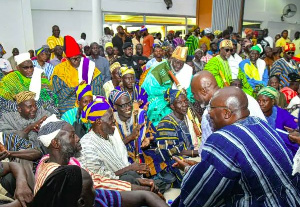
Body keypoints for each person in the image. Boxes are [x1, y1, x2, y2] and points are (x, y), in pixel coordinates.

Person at [172, 87, 300, 207]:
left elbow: (198, 195)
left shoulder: (223, 138)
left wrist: (189, 171)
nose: (208, 114)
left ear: (226, 113)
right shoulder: (260, 124)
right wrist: (198, 169)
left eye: (211, 111)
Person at [79, 98, 161, 190]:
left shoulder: (111, 136)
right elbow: (99, 180)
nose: (114, 121)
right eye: (110, 118)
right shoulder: (87, 144)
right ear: (98, 121)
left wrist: (131, 169)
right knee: (131, 179)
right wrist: (129, 169)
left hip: (121, 180)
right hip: (106, 190)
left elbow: (121, 163)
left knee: (134, 177)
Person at [191, 71, 266, 157]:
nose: (194, 98)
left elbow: (207, 153)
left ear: (204, 91)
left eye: (194, 94)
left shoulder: (209, 113)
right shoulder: (246, 97)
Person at [110, 90, 164, 178]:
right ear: (115, 107)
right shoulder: (112, 122)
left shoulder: (140, 115)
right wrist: (131, 137)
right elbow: (113, 148)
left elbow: (153, 133)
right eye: (123, 105)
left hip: (142, 154)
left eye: (129, 103)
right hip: (122, 160)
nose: (128, 108)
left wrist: (148, 139)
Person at [156, 89, 199, 186]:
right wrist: (197, 152)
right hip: (173, 164)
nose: (184, 104)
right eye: (179, 102)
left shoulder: (186, 118)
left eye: (185, 101)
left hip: (188, 158)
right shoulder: (166, 123)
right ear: (172, 106)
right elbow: (171, 152)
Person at [51, 35, 103, 114]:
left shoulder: (88, 65)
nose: (77, 61)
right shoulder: (59, 70)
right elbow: (59, 93)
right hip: (69, 103)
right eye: (73, 59)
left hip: (90, 99)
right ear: (67, 59)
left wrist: (86, 89)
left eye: (78, 57)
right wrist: (77, 89)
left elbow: (98, 88)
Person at [141, 46, 193, 126]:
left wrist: (184, 95)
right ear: (171, 59)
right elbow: (149, 89)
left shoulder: (187, 71)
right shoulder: (158, 69)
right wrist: (169, 92)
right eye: (176, 62)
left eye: (181, 63)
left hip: (180, 100)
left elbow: (189, 92)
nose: (178, 66)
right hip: (159, 98)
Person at [257, 86, 298, 155]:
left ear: (273, 101)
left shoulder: (281, 114)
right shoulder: (254, 114)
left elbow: (295, 124)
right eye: (259, 101)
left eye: (265, 101)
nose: (261, 104)